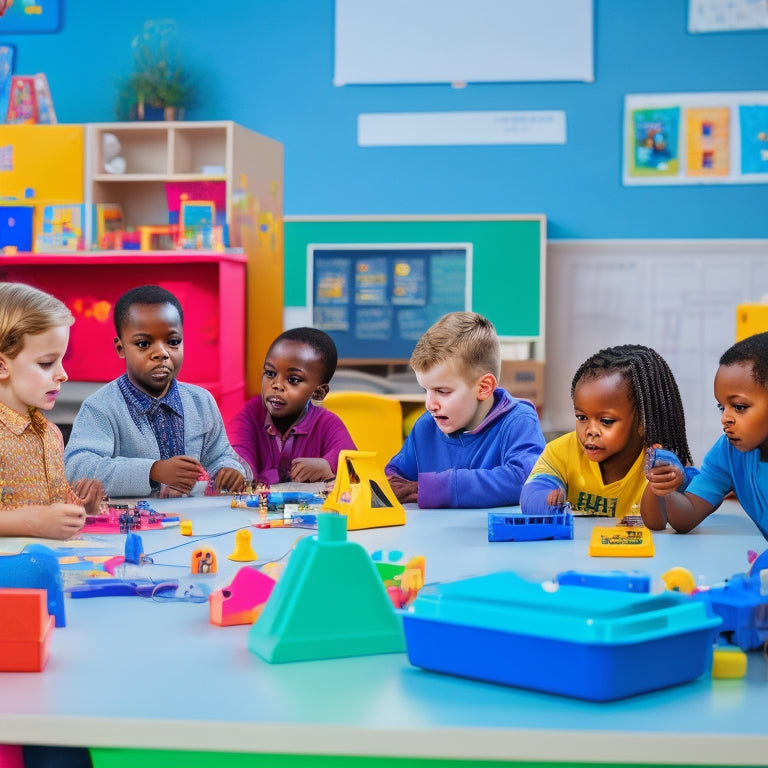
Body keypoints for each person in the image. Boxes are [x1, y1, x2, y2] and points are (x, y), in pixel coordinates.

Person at [64, 285, 245, 498]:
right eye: (143, 344)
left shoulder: (201, 401)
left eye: (173, 342)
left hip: (193, 524)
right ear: (121, 348)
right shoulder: (101, 407)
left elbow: (221, 455)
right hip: (130, 526)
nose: (161, 353)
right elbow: (77, 469)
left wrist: (229, 470)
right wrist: (153, 471)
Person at [385, 311, 545, 508]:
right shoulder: (426, 426)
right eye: (426, 390)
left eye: (442, 391)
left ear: (484, 387)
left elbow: (525, 479)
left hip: (488, 536)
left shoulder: (518, 421)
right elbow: (396, 477)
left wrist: (436, 488)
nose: (430, 404)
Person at [521, 344, 694, 518]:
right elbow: (532, 490)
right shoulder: (560, 452)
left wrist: (679, 481)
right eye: (582, 417)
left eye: (606, 421)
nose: (590, 431)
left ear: (642, 422)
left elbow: (700, 487)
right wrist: (547, 501)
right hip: (580, 545)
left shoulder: (659, 460)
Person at [0, 282, 103, 539]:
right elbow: (40, 520)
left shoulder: (51, 434)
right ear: (2, 366)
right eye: (46, 363)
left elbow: (54, 506)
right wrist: (33, 522)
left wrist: (81, 505)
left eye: (61, 360)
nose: (63, 374)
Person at [642, 332, 768, 539]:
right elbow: (687, 516)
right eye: (722, 407)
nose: (725, 418)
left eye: (739, 407)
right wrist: (669, 488)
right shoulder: (728, 451)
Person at [228, 326, 355, 484]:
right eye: (270, 373)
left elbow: (354, 466)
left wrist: (328, 466)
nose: (277, 385)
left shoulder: (327, 423)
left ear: (318, 393)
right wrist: (236, 471)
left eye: (293, 379)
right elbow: (237, 453)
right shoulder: (251, 414)